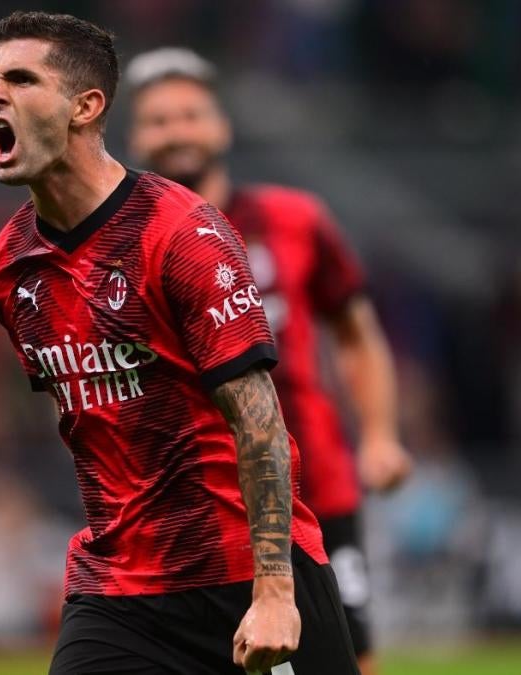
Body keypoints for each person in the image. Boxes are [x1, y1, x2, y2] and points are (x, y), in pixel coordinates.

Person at [0, 11, 360, 675]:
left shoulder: (181, 232)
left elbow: (261, 422)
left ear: (85, 106)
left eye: (20, 78)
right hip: (119, 588)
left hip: (244, 571)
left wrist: (274, 592)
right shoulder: (7, 268)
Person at [123, 47, 413, 674]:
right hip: (197, 500)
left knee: (346, 658)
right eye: (159, 120)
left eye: (190, 114)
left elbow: (357, 333)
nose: (177, 132)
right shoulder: (124, 240)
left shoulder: (295, 219)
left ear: (221, 125)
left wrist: (382, 435)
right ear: (134, 137)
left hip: (316, 482)